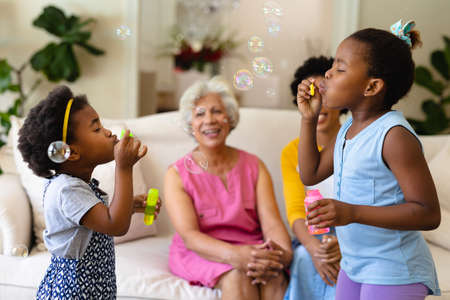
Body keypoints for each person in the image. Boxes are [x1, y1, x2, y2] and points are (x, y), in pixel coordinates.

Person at [296, 23, 441, 300]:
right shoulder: (348, 128)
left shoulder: (394, 136)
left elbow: (428, 213)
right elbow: (311, 173)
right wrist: (308, 118)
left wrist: (351, 213)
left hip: (394, 271)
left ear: (372, 86)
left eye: (340, 68)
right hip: (354, 266)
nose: (328, 73)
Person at [18, 85, 160, 299]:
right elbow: (115, 225)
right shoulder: (67, 189)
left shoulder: (79, 185)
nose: (108, 132)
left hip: (91, 289)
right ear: (71, 152)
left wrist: (130, 206)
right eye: (96, 129)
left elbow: (101, 221)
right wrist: (124, 167)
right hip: (72, 292)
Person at [164, 76, 292, 300]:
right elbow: (190, 237)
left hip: (251, 246)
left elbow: (271, 222)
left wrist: (281, 255)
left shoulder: (254, 165)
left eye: (217, 111)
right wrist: (236, 256)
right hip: (202, 251)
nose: (210, 120)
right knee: (237, 275)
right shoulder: (176, 174)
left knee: (274, 275)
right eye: (200, 114)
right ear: (190, 124)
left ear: (229, 118)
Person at [282, 56, 343, 300]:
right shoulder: (291, 152)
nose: (318, 102)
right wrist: (314, 248)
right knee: (306, 258)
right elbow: (296, 210)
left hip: (356, 233)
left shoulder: (358, 140)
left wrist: (346, 245)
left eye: (324, 93)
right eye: (311, 94)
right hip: (312, 236)